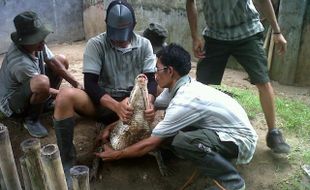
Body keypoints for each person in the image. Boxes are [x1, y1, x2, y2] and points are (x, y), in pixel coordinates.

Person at [96, 44, 257, 190]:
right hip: (225, 131)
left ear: (170, 71)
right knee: (171, 132)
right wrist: (111, 127)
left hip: (240, 140)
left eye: (157, 70)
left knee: (182, 141)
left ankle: (233, 182)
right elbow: (144, 110)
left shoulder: (184, 100)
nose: (154, 75)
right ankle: (213, 160)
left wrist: (117, 154)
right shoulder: (180, 87)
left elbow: (150, 144)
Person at [52, 0, 156, 186]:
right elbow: (90, 84)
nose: (119, 39)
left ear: (134, 25)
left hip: (133, 110)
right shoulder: (96, 44)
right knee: (64, 96)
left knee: (164, 88)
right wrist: (116, 106)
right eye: (115, 34)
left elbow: (152, 80)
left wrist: (149, 104)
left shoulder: (145, 45)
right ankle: (67, 160)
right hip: (102, 104)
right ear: (107, 25)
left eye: (123, 34)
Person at [186, 0, 290, 154]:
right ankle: (193, 123)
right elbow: (190, 2)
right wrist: (195, 36)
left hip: (247, 32)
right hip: (216, 34)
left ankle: (273, 133)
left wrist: (277, 32)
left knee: (263, 81)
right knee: (201, 85)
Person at [0, 11, 82, 138]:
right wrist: (69, 95)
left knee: (61, 59)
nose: (43, 42)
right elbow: (41, 86)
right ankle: (31, 119)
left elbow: (54, 63)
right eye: (37, 39)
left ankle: (45, 102)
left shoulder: (37, 44)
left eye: (41, 37)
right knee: (41, 83)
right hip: (13, 104)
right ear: (25, 41)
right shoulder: (19, 62)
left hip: (33, 86)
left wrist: (76, 84)